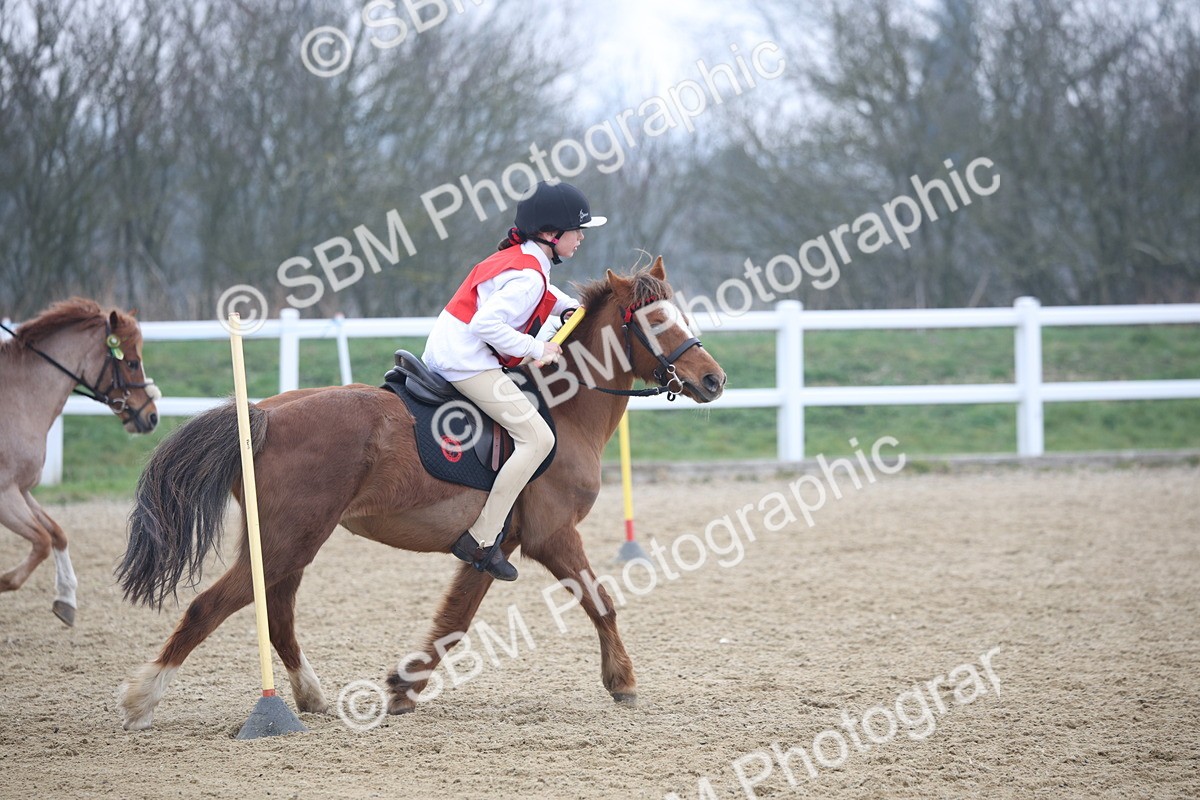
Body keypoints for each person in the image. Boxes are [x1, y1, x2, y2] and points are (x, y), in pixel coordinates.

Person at [422, 181, 607, 581]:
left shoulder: (525, 260)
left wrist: (571, 307)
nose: (581, 238)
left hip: (455, 352)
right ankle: (482, 538)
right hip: (466, 362)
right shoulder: (527, 277)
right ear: (550, 234)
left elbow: (544, 294)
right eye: (577, 231)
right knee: (539, 439)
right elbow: (486, 323)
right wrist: (537, 349)